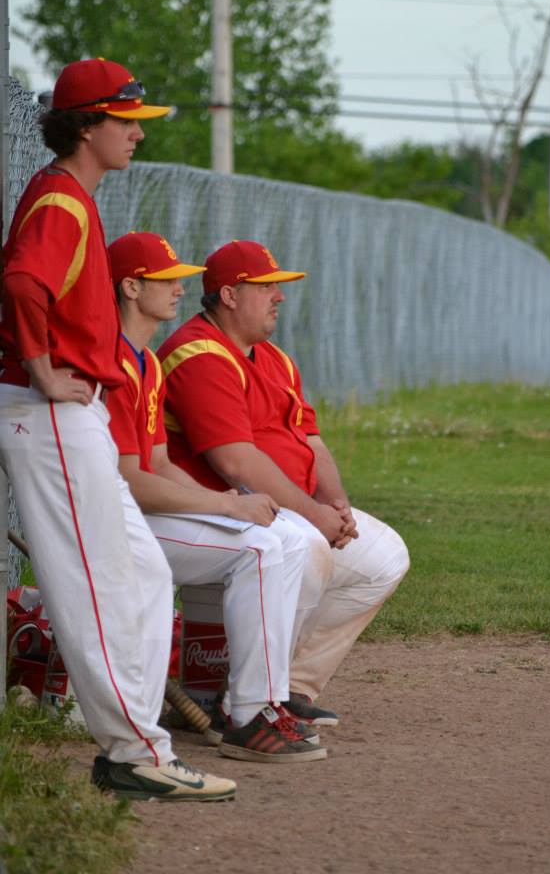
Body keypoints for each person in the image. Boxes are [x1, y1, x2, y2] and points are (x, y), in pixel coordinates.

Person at [0, 58, 235, 801]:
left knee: (145, 574)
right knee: (98, 586)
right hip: (48, 411)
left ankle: (138, 744)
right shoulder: (62, 200)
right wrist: (42, 368)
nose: (137, 133)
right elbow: (21, 282)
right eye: (125, 120)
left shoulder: (72, 196)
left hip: (73, 412)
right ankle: (133, 753)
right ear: (86, 125)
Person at [157, 239, 410, 723]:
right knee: (305, 548)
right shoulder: (199, 354)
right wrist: (314, 516)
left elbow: (312, 441)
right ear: (229, 295)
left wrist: (337, 506)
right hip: (222, 507)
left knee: (384, 558)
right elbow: (236, 464)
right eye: (266, 286)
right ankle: (252, 699)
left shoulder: (274, 358)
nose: (280, 296)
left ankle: (291, 685)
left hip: (288, 507)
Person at [105, 230, 327, 763]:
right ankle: (249, 714)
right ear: (131, 288)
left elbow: (160, 464)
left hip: (142, 512)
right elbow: (128, 479)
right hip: (111, 520)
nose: (181, 289)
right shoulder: (109, 364)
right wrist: (226, 505)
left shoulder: (146, 361)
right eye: (167, 279)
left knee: (282, 536)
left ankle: (263, 702)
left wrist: (229, 501)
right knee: (260, 547)